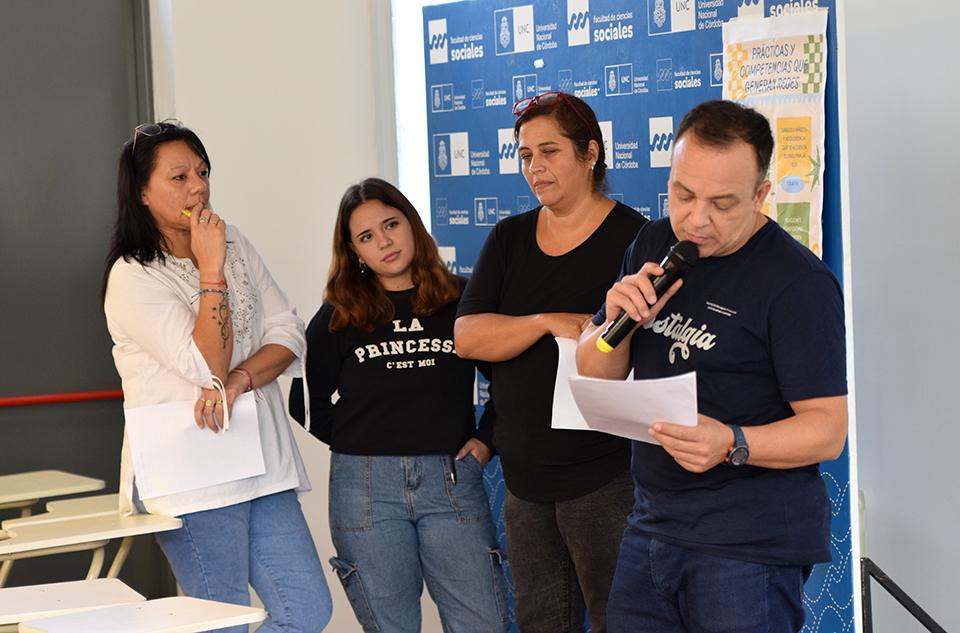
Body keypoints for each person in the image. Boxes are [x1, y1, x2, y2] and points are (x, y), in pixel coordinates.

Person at [576, 100, 848, 633]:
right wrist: (612, 323)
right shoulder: (654, 242)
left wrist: (731, 442)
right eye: (683, 195)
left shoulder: (799, 284)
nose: (697, 219)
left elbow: (827, 431)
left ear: (761, 195)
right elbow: (594, 368)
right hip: (651, 524)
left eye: (722, 204)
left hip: (747, 545)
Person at [102, 120, 332, 633]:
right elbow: (206, 365)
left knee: (306, 610)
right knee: (221, 624)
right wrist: (211, 270)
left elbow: (288, 331)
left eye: (203, 173)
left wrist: (242, 378)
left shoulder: (234, 242)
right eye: (179, 177)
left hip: (262, 460)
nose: (199, 188)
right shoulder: (133, 275)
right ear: (142, 192)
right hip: (193, 475)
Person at [454, 91, 647, 633]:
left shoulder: (635, 238)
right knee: (540, 622)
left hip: (605, 474)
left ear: (590, 154)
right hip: (524, 480)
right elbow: (468, 337)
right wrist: (544, 322)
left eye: (549, 151)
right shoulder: (509, 237)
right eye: (524, 155)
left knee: (619, 620)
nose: (534, 167)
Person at [288, 178, 509, 633]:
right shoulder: (341, 313)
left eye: (391, 225)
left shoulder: (463, 301)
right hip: (366, 490)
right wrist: (361, 442)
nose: (384, 242)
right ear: (354, 251)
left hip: (452, 481)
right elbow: (304, 400)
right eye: (367, 236)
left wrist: (487, 439)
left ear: (412, 224)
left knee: (482, 623)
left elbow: (511, 383)